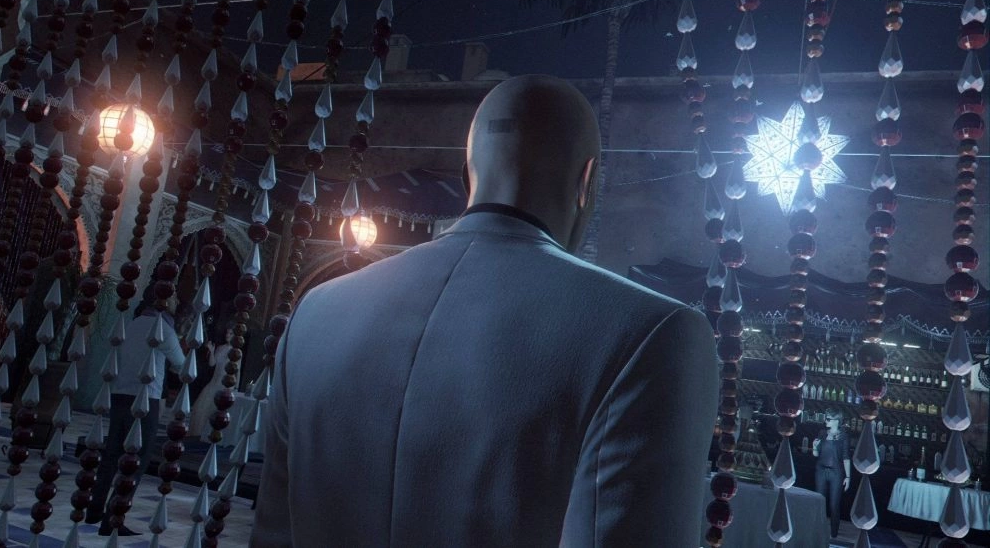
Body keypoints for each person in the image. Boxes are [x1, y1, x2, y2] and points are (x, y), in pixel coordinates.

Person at [251, 75, 718, 547]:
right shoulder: (654, 336)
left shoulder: (315, 314)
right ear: (586, 182)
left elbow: (272, 535)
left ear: (466, 177)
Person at [87, 297, 186, 536]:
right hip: (145, 398)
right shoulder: (163, 329)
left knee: (111, 454)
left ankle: (94, 509)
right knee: (136, 458)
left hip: (119, 393)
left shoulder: (130, 325)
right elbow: (182, 365)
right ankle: (113, 517)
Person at [190, 326, 235, 439]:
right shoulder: (220, 348)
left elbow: (236, 372)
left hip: (224, 385)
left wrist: (233, 388)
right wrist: (211, 351)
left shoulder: (236, 352)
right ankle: (196, 436)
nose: (227, 335)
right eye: (227, 333)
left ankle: (210, 437)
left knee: (216, 413)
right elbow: (212, 364)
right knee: (199, 410)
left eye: (230, 333)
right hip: (213, 383)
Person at [813, 407, 851, 538]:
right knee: (819, 502)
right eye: (826, 418)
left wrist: (848, 476)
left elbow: (846, 457)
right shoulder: (822, 433)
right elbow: (816, 454)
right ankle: (817, 531)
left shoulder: (843, 436)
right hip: (821, 470)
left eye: (828, 419)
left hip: (836, 472)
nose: (826, 421)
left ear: (837, 421)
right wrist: (814, 447)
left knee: (834, 505)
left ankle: (834, 534)